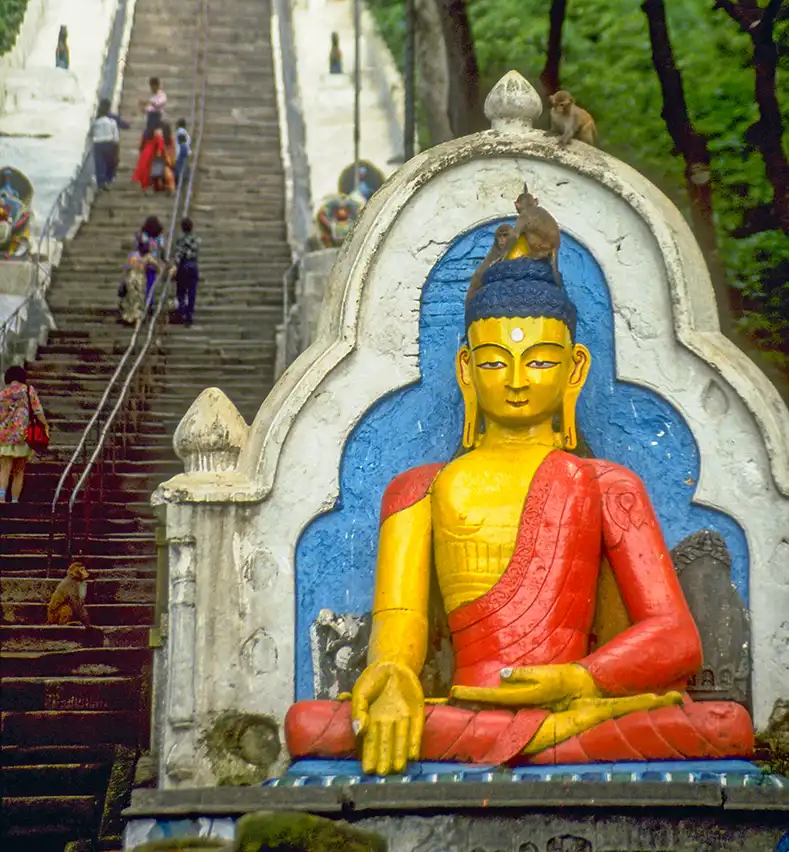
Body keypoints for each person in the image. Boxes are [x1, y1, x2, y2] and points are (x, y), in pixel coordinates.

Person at [286, 225, 754, 770]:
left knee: (725, 725)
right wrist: (390, 680)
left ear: (574, 368)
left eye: (538, 360)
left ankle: (540, 734)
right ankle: (548, 740)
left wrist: (579, 678)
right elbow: (400, 627)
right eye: (492, 362)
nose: (514, 379)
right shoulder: (418, 490)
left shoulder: (609, 484)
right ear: (466, 370)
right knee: (309, 724)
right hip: (469, 709)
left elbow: (675, 637)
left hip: (567, 701)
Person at [0, 366, 49, 503]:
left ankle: (1, 498)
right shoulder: (28, 390)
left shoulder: (3, 393)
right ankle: (15, 501)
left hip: (4, 437)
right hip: (23, 436)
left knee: (4, 470)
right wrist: (45, 425)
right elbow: (38, 411)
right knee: (19, 471)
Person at [119, 239, 159, 325]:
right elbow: (156, 265)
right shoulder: (148, 256)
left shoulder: (133, 255)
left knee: (130, 298)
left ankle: (129, 317)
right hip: (140, 277)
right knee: (139, 298)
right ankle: (137, 317)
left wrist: (124, 278)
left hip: (130, 276)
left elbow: (126, 268)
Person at [132, 120, 175, 193]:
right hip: (157, 155)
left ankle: (146, 186)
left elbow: (141, 145)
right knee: (156, 171)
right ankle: (163, 186)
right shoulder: (160, 136)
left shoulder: (146, 134)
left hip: (146, 154)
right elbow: (161, 147)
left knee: (146, 170)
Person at [171, 217, 200, 325]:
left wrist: (175, 265)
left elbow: (178, 253)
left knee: (181, 290)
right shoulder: (196, 239)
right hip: (193, 265)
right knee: (192, 291)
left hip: (184, 266)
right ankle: (189, 314)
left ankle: (182, 309)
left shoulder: (180, 239)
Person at [92, 99, 119, 190]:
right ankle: (108, 180)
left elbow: (91, 134)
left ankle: (100, 184)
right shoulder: (112, 122)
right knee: (109, 164)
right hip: (109, 144)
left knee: (99, 165)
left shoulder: (96, 122)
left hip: (98, 144)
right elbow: (115, 138)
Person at [174, 118, 192, 184]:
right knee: (185, 165)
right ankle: (185, 177)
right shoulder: (184, 132)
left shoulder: (180, 132)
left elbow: (182, 144)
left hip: (181, 152)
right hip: (184, 151)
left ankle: (178, 179)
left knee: (179, 166)